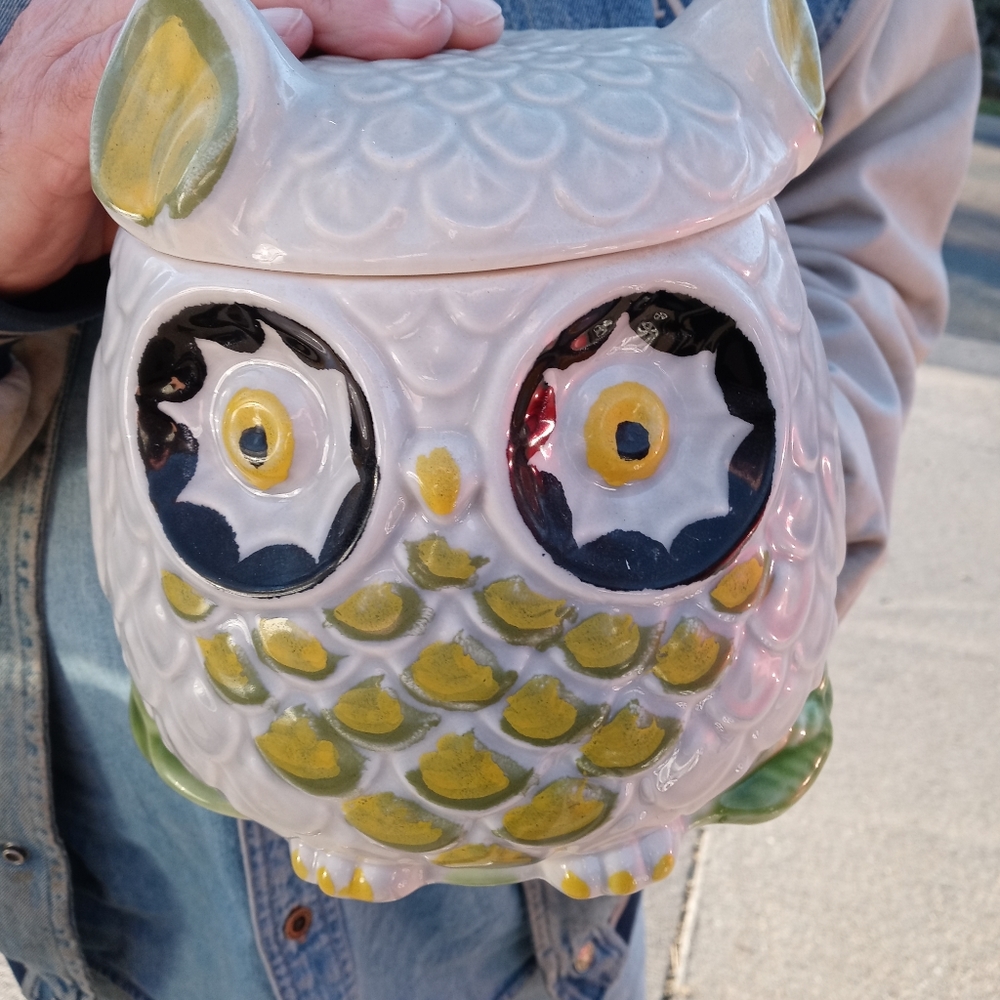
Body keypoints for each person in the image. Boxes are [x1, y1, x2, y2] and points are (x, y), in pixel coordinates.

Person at [0, 0, 980, 998]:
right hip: (111, 924)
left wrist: (790, 549)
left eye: (624, 432)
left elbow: (865, 174)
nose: (442, 504)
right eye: (261, 437)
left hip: (553, 957)